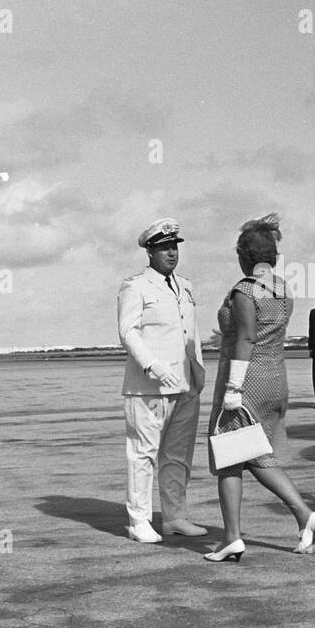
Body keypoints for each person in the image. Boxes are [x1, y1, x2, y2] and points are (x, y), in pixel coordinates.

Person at [203, 214, 315, 563]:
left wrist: (233, 388)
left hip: (248, 380)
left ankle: (232, 538)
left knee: (230, 457)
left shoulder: (245, 290)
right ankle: (303, 516)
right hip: (276, 377)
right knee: (257, 454)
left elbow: (246, 336)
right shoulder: (283, 289)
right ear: (273, 257)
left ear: (244, 255)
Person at [117, 218, 207, 543]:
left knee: (178, 454)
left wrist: (199, 371)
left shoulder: (186, 286)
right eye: (164, 247)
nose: (171, 252)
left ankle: (175, 516)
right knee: (143, 454)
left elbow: (190, 332)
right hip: (148, 388)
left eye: (174, 246)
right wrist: (152, 365)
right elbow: (128, 331)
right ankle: (138, 521)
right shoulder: (135, 286)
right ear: (150, 251)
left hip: (184, 384)